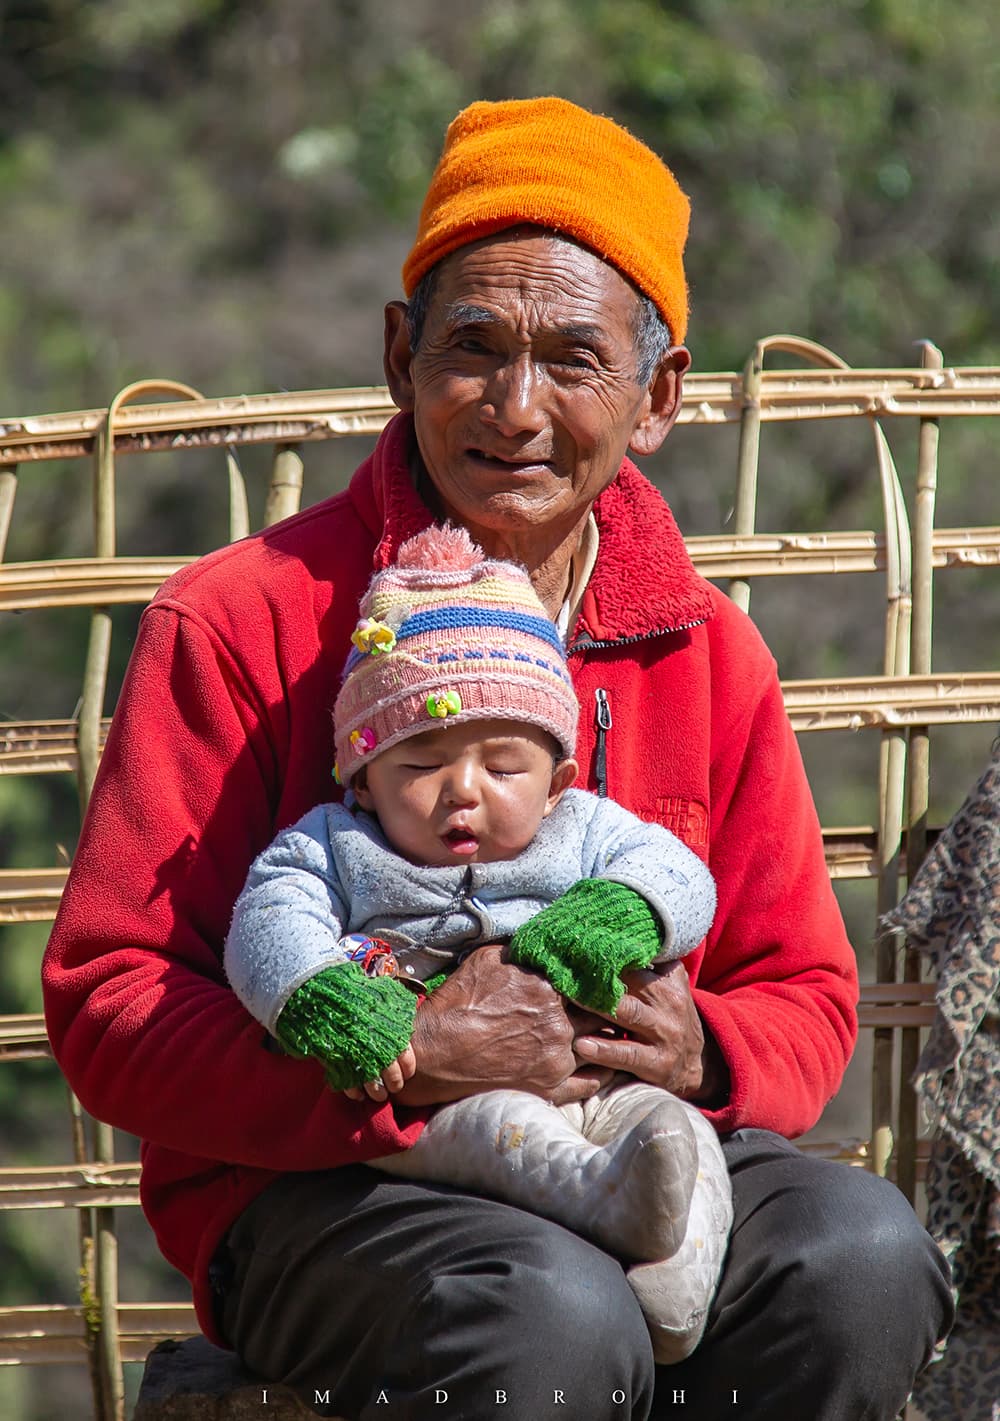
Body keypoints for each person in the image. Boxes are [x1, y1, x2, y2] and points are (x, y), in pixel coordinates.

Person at [42, 95, 953, 1420]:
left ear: (658, 400)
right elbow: (111, 1002)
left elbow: (802, 994)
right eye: (473, 348)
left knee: (863, 1257)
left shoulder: (707, 657)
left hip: (636, 1148)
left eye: (575, 361)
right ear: (399, 357)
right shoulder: (240, 622)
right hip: (316, 1189)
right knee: (551, 1310)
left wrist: (694, 1050)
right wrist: (407, 1054)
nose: (515, 408)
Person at [223, 520, 732, 1362]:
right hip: (448, 1109)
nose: (463, 792)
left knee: (678, 1136)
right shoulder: (336, 846)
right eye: (420, 764)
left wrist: (619, 910)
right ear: (361, 775)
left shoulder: (585, 831)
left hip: (603, 1081)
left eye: (503, 766)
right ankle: (603, 1205)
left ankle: (675, 1278)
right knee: (503, 1131)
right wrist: (327, 998)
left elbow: (680, 874)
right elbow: (267, 923)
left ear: (560, 778)